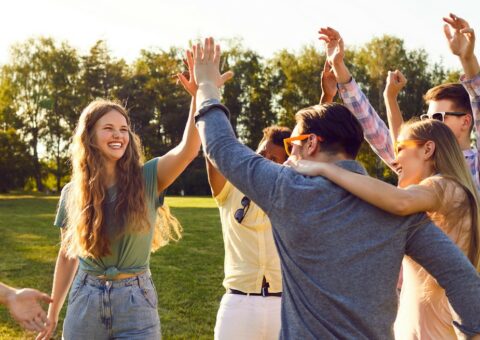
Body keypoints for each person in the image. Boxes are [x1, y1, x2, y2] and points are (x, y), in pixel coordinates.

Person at [191, 37, 480, 339]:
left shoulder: (287, 189)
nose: (290, 155)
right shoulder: (399, 209)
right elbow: (462, 278)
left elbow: (221, 146)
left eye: (293, 144)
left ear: (312, 143)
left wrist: (207, 88)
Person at [35, 76, 230, 339]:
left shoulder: (148, 177)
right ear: (89, 135)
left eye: (124, 129)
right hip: (85, 300)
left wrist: (198, 95)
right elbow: (68, 255)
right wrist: (54, 311)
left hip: (135, 301)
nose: (118, 135)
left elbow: (187, 150)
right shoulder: (72, 192)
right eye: (109, 128)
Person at [286, 118, 480, 339]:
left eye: (400, 149)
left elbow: (400, 202)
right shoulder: (446, 191)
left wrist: (324, 169)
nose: (395, 160)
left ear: (428, 149)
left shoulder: (444, 186)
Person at [176, 50, 287, 339]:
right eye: (262, 153)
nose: (266, 161)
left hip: (285, 304)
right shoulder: (231, 187)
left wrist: (326, 96)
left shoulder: (294, 190)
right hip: (239, 303)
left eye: (276, 159)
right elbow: (215, 147)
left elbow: (316, 149)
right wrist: (204, 91)